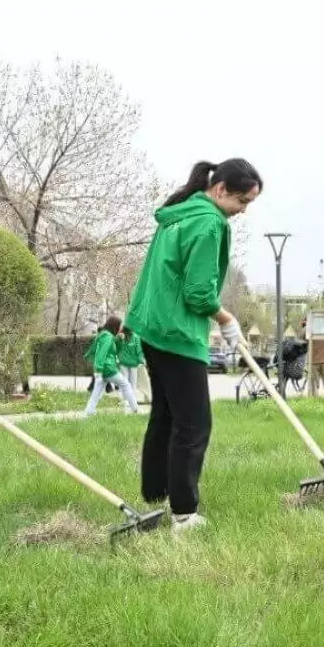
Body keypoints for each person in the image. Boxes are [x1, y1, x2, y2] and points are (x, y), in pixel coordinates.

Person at [124, 158, 262, 532]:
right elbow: (199, 293)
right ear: (220, 190)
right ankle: (184, 511)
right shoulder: (208, 222)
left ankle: (155, 495)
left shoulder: (177, 214)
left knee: (165, 415)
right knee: (194, 423)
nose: (242, 211)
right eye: (242, 202)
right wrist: (227, 319)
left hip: (152, 325)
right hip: (177, 332)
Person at [83, 317, 139, 416]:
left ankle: (89, 411)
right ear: (115, 325)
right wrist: (98, 370)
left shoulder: (104, 336)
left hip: (104, 369)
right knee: (126, 384)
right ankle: (135, 409)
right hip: (108, 368)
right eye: (119, 326)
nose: (120, 329)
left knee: (97, 392)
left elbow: (115, 351)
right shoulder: (107, 337)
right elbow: (101, 354)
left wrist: (119, 341)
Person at [307, 321, 324, 398]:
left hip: (313, 360)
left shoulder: (310, 332)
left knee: (314, 383)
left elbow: (302, 338)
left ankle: (315, 400)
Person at [117, 327, 146, 396]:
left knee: (124, 381)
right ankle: (132, 398)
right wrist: (141, 361)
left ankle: (124, 398)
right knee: (133, 382)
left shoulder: (120, 337)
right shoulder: (136, 337)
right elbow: (138, 350)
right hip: (133, 363)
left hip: (123, 362)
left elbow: (116, 348)